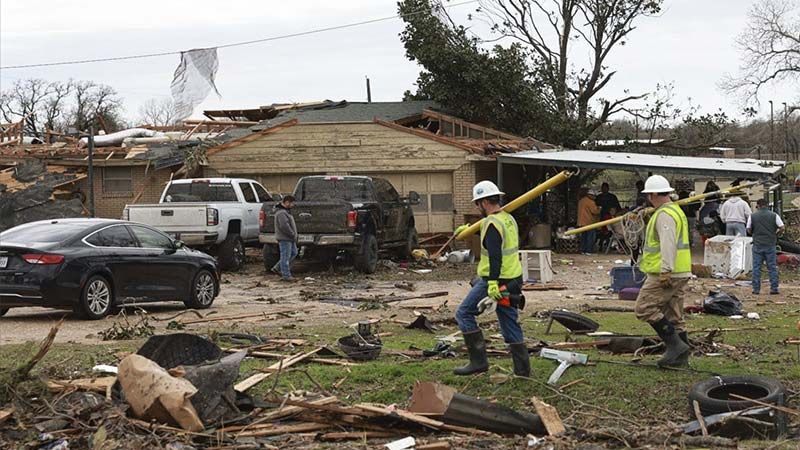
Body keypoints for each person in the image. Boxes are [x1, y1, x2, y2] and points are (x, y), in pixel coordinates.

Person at [452, 181, 529, 377]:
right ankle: (523, 371)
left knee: (464, 313)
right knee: (509, 321)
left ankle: (478, 362)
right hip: (513, 279)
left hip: (495, 280)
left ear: (485, 202)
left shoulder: (491, 223)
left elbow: (495, 255)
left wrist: (493, 282)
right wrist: (470, 229)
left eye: (478, 203)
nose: (477, 207)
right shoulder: (507, 218)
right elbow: (497, 239)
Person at [634, 175, 692, 368]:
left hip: (666, 272)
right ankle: (680, 358)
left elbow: (668, 244)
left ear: (652, 194)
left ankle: (676, 346)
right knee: (674, 313)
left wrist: (665, 270)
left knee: (644, 307)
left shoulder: (664, 216)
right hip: (681, 271)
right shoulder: (674, 211)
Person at [747, 199, 785, 295]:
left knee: (756, 267)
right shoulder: (774, 215)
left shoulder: (753, 216)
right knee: (772, 267)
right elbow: (782, 227)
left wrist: (754, 233)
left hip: (757, 244)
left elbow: (748, 229)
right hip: (770, 244)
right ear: (767, 205)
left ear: (758, 206)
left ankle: (756, 289)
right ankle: (774, 288)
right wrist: (776, 234)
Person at [272, 195, 298, 282]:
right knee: (285, 256)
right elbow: (284, 226)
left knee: (294, 253)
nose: (293, 205)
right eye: (292, 203)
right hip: (285, 238)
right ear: (287, 202)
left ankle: (277, 268)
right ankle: (286, 275)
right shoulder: (281, 213)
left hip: (290, 238)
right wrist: (292, 234)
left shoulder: (286, 211)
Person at [577, 188, 600, 255]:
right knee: (590, 237)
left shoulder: (581, 201)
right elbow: (595, 211)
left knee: (583, 236)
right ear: (591, 195)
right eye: (594, 196)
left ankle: (583, 250)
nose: (595, 198)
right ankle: (588, 250)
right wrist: (599, 209)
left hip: (581, 221)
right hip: (589, 222)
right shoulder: (591, 202)